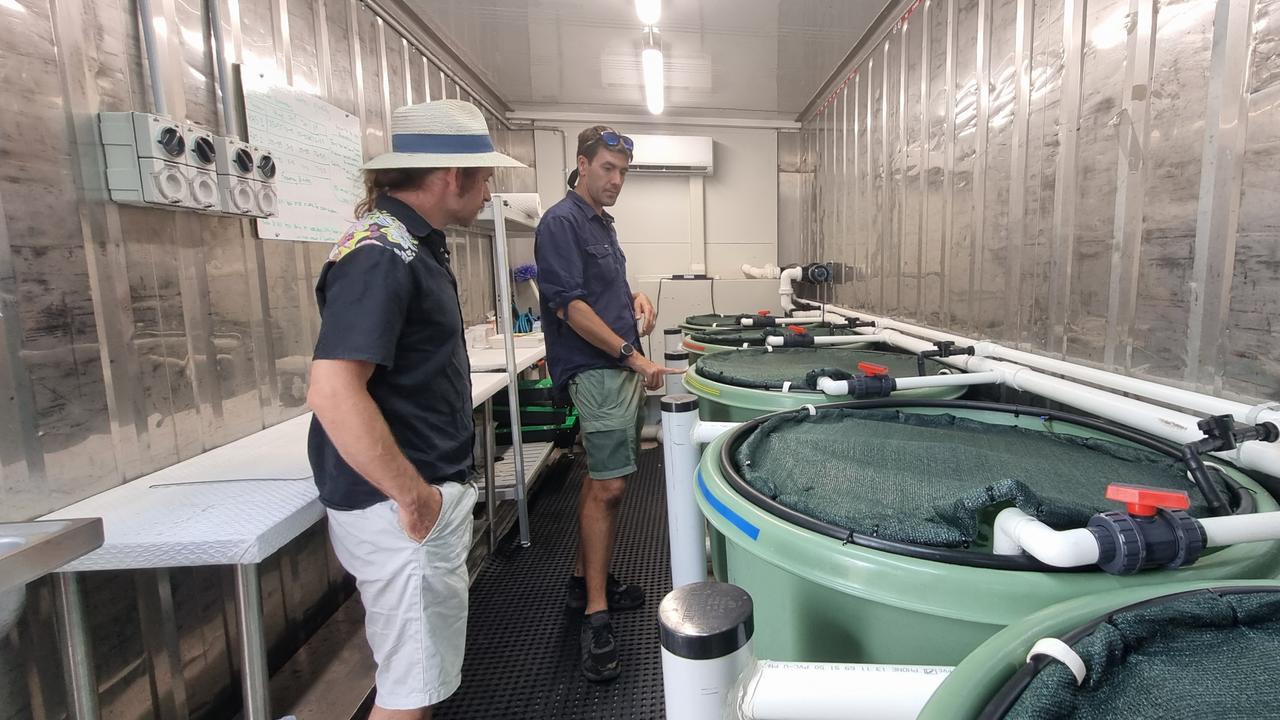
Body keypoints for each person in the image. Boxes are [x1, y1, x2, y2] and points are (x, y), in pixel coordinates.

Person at [307, 99, 524, 719]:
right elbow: (332, 390)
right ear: (452, 175)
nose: (488, 192)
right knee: (409, 698)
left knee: (416, 684)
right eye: (484, 178)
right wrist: (414, 496)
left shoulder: (409, 242)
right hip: (401, 511)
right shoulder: (382, 253)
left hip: (409, 500)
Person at [535, 125, 683, 682]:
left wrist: (634, 296)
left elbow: (600, 289)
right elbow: (570, 307)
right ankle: (595, 617)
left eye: (623, 172)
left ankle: (584, 582)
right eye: (607, 169)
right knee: (610, 485)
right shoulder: (560, 222)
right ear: (582, 164)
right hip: (598, 371)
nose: (616, 180)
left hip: (615, 368)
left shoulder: (600, 223)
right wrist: (634, 355)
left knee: (609, 483)